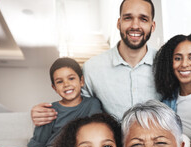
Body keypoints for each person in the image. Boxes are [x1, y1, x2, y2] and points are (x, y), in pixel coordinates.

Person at [30, 0, 159, 124]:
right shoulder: (92, 68)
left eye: (143, 19)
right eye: (128, 18)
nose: (135, 26)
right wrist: (44, 114)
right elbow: (75, 106)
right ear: (119, 23)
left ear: (152, 26)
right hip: (112, 144)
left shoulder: (165, 63)